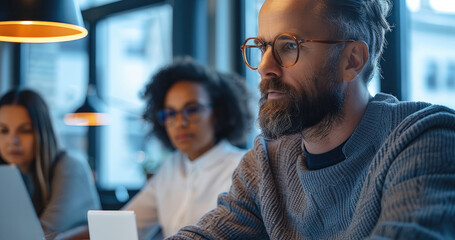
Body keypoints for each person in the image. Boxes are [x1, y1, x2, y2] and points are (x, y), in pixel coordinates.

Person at [167, 0, 455, 239]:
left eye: (289, 46)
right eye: (262, 47)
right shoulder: (267, 163)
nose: (265, 67)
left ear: (352, 60)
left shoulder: (425, 139)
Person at [123, 57, 253, 239]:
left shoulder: (244, 168)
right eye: (170, 113)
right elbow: (125, 225)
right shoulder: (171, 167)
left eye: (191, 110)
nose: (180, 123)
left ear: (217, 113)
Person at [0, 89, 101, 238]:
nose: (12, 141)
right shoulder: (11, 174)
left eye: (25, 130)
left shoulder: (70, 166)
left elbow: (37, 235)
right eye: (3, 130)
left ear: (43, 133)